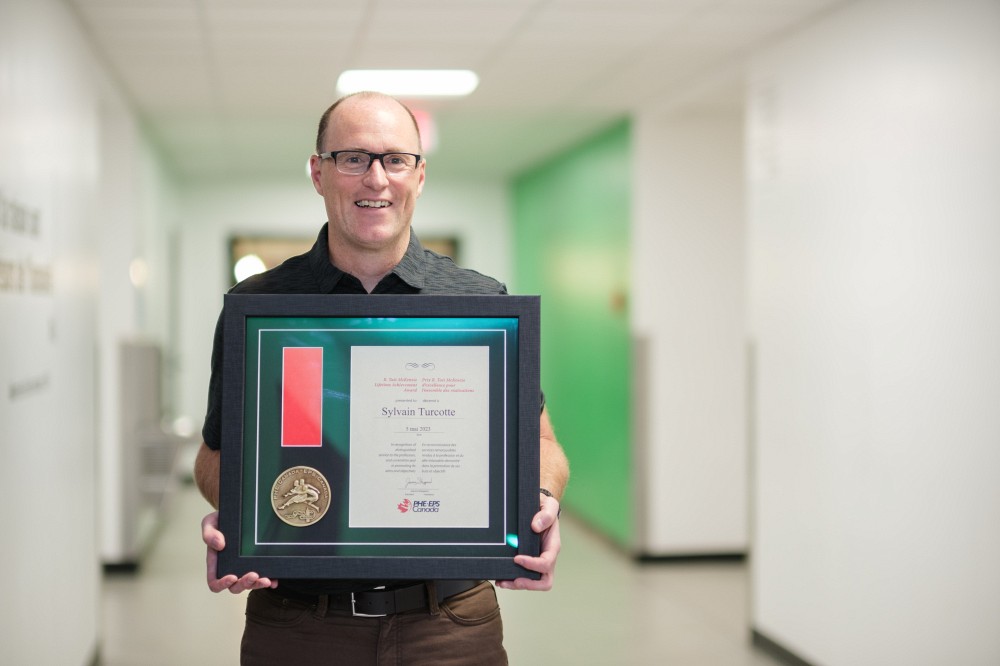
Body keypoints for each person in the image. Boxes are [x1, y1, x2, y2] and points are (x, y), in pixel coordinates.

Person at [194, 91, 570, 665]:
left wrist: (540, 500)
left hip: (452, 625)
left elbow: (540, 443)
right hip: (298, 625)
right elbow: (214, 454)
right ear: (318, 174)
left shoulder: (479, 305)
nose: (376, 178)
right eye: (353, 158)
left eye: (395, 159)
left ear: (419, 176)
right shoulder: (261, 307)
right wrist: (243, 516)